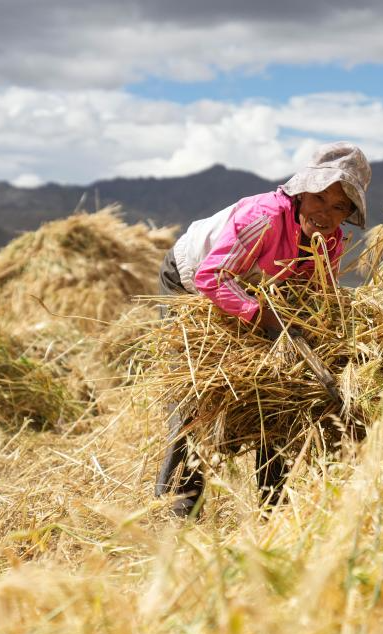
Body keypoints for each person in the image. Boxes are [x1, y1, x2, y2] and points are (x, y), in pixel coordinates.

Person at [154, 141, 372, 517]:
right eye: (319, 198)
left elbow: (320, 298)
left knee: (280, 391)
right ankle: (179, 508)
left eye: (339, 207)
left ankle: (273, 509)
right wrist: (260, 315)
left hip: (258, 288)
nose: (325, 213)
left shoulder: (330, 240)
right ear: (302, 192)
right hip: (193, 279)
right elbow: (212, 277)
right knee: (196, 391)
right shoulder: (265, 217)